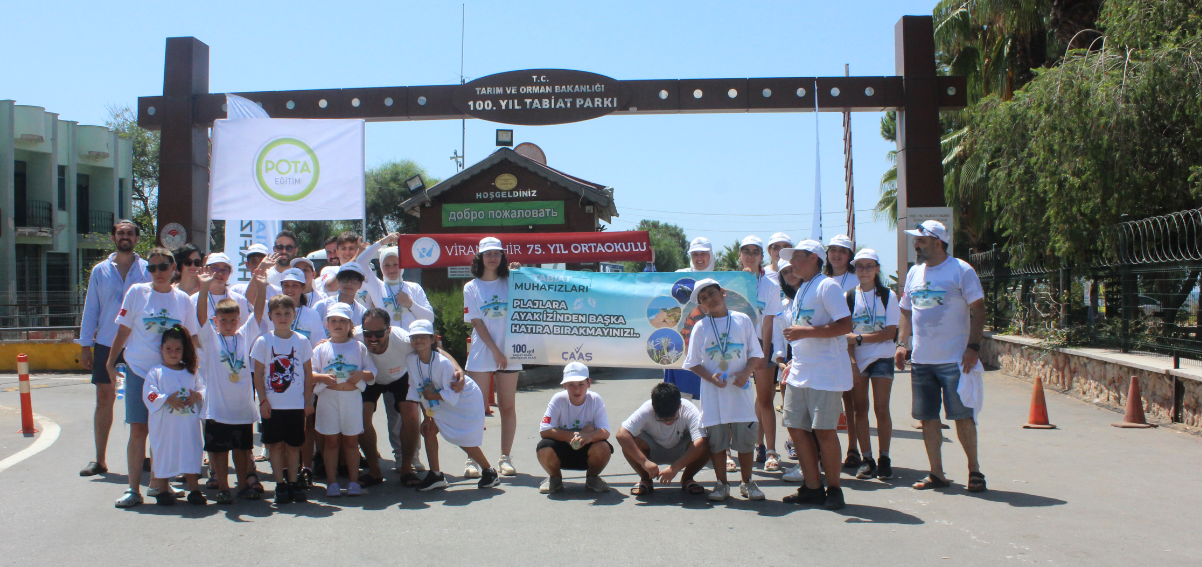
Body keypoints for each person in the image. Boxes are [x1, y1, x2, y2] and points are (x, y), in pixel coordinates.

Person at [896, 220, 987, 493]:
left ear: (938, 242)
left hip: (955, 360)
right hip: (923, 361)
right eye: (915, 240)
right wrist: (902, 344)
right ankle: (936, 472)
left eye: (921, 240)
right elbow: (905, 310)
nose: (916, 244)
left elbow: (979, 308)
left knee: (962, 416)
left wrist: (974, 347)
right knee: (928, 418)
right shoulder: (914, 273)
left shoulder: (961, 270)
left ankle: (974, 470)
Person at [107, 246, 200, 508]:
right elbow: (123, 331)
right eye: (152, 267)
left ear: (174, 269)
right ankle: (133, 489)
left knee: (165, 432)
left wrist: (203, 366)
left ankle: (161, 484)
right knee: (139, 429)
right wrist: (111, 362)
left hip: (170, 375)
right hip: (139, 371)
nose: (157, 272)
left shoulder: (182, 299)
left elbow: (191, 337)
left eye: (162, 267)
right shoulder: (137, 293)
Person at [778, 240, 853, 510]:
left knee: (824, 431)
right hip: (800, 370)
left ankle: (834, 489)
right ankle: (812, 486)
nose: (791, 262)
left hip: (826, 372)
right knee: (796, 428)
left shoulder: (827, 286)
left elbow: (845, 324)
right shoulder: (801, 290)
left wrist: (805, 333)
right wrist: (789, 364)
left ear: (813, 258)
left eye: (796, 256)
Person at [357, 308, 467, 487]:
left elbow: (435, 348)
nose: (373, 338)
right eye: (368, 333)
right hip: (371, 377)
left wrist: (458, 368)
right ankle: (374, 470)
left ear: (389, 330)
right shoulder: (355, 337)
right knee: (361, 418)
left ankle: (406, 469)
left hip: (400, 376)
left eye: (378, 333)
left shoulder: (402, 340)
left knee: (410, 415)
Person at [683, 279, 766, 501]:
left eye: (712, 294)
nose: (710, 300)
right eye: (704, 299)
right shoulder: (701, 326)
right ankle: (721, 484)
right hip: (714, 394)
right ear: (701, 305)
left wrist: (746, 372)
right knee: (717, 442)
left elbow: (756, 354)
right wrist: (711, 378)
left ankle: (747, 482)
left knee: (746, 441)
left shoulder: (743, 320)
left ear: (723, 292)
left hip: (741, 392)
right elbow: (692, 362)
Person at [78, 220, 149, 477]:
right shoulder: (100, 270)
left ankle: (144, 456)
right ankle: (99, 459)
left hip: (140, 343)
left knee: (145, 400)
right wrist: (86, 345)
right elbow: (91, 309)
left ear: (137, 238)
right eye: (121, 233)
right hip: (107, 343)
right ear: (113, 238)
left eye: (130, 233)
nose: (125, 237)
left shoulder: (147, 269)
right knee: (104, 399)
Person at [196, 263, 268, 504]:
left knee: (241, 449)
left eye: (233, 320)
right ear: (215, 320)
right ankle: (224, 487)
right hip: (216, 407)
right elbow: (199, 316)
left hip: (241, 408)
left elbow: (258, 313)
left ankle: (241, 485)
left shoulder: (245, 335)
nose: (228, 324)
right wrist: (204, 289)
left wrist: (262, 287)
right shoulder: (210, 338)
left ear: (239, 320)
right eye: (223, 320)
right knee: (217, 449)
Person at [408, 320, 493, 491]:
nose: (418, 340)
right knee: (429, 430)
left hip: (464, 399)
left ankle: (489, 472)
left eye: (423, 336)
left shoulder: (443, 363)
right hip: (439, 400)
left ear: (432, 339)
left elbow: (453, 395)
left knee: (460, 438)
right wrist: (427, 416)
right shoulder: (411, 360)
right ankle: (436, 475)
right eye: (414, 337)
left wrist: (432, 396)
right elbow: (420, 391)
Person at [463, 236, 521, 478]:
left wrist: (520, 275)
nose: (493, 258)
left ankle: (505, 458)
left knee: (507, 406)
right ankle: (472, 460)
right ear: (481, 257)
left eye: (497, 253)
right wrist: (496, 351)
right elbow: (477, 322)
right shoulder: (471, 287)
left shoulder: (512, 282)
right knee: (475, 407)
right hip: (482, 352)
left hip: (511, 352)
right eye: (488, 254)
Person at [250, 294, 316, 505]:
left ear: (294, 315)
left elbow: (308, 373)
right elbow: (258, 374)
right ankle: (280, 484)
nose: (283, 317)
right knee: (275, 446)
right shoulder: (263, 341)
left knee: (294, 446)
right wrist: (262, 401)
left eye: (287, 313)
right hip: (273, 404)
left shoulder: (302, 341)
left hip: (295, 405)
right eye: (277, 313)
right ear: (270, 316)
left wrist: (307, 401)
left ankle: (294, 482)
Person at [845, 249, 900, 480]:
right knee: (860, 409)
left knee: (881, 408)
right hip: (859, 360)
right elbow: (844, 332)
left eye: (869, 266)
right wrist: (853, 361)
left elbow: (889, 333)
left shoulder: (888, 296)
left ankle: (884, 457)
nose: (864, 271)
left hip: (882, 358)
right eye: (860, 266)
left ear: (877, 268)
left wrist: (859, 339)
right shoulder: (848, 296)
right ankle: (867, 459)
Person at [311, 303, 375, 497]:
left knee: (351, 442)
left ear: (350, 324)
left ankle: (354, 481)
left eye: (342, 321)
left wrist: (362, 375)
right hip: (328, 398)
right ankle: (332, 482)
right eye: (333, 321)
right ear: (327, 324)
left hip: (351, 399)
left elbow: (372, 373)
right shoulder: (321, 348)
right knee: (331, 442)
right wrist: (321, 378)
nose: (337, 325)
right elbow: (310, 374)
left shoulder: (359, 347)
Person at [142, 325, 207, 506]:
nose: (173, 353)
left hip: (188, 425)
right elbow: (149, 394)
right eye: (168, 349)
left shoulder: (191, 371)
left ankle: (194, 490)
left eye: (178, 349)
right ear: (161, 349)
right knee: (164, 453)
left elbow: (202, 387)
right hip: (165, 426)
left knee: (191, 453)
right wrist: (166, 399)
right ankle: (163, 489)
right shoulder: (156, 372)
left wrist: (198, 395)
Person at [738, 236, 784, 473]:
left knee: (765, 400)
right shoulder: (731, 283)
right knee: (733, 399)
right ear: (740, 255)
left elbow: (768, 323)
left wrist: (764, 354)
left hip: (760, 344)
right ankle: (729, 450)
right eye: (746, 251)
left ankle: (770, 450)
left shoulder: (771, 286)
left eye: (755, 252)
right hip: (736, 346)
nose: (751, 255)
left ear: (761, 256)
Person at [615, 383, 709, 496]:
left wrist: (675, 468)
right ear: (653, 408)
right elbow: (621, 434)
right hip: (652, 449)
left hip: (682, 450)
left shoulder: (689, 409)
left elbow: (700, 442)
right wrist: (644, 462)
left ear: (679, 406)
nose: (668, 422)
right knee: (628, 442)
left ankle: (687, 478)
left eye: (672, 418)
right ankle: (645, 479)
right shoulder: (646, 409)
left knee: (706, 443)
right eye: (662, 418)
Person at [536, 362, 612, 494]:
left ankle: (592, 477)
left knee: (604, 447)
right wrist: (579, 434)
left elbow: (605, 431)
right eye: (571, 384)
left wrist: (588, 437)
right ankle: (555, 478)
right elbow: (545, 430)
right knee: (544, 447)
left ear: (589, 383)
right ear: (564, 385)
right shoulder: (558, 399)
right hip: (562, 449)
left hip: (587, 450)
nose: (577, 389)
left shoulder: (595, 399)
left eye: (581, 384)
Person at [823, 234, 863, 469]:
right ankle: (826, 452)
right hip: (826, 348)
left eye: (842, 251)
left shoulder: (855, 280)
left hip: (853, 347)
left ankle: (853, 449)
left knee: (852, 402)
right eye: (833, 250)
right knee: (826, 402)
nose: (837, 255)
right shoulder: (821, 279)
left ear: (850, 256)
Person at [357, 232, 435, 329]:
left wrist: (410, 304)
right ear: (381, 266)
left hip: (411, 341)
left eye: (395, 264)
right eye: (386, 265)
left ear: (402, 264)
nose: (391, 269)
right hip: (387, 342)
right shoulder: (377, 286)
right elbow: (360, 261)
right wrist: (382, 242)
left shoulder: (414, 287)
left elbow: (430, 318)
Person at [191, 253, 250, 326]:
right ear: (206, 270)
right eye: (215, 269)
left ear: (229, 273)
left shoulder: (239, 300)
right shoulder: (194, 300)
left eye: (225, 270)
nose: (220, 273)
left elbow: (244, 331)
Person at [313, 262, 369, 334]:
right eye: (345, 278)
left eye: (354, 279)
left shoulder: (363, 313)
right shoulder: (321, 306)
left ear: (360, 285)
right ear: (338, 281)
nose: (349, 283)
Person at [230, 243, 282, 309]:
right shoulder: (236, 290)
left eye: (261, 261)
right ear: (247, 264)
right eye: (253, 261)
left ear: (269, 264)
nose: (258, 265)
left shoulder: (278, 292)